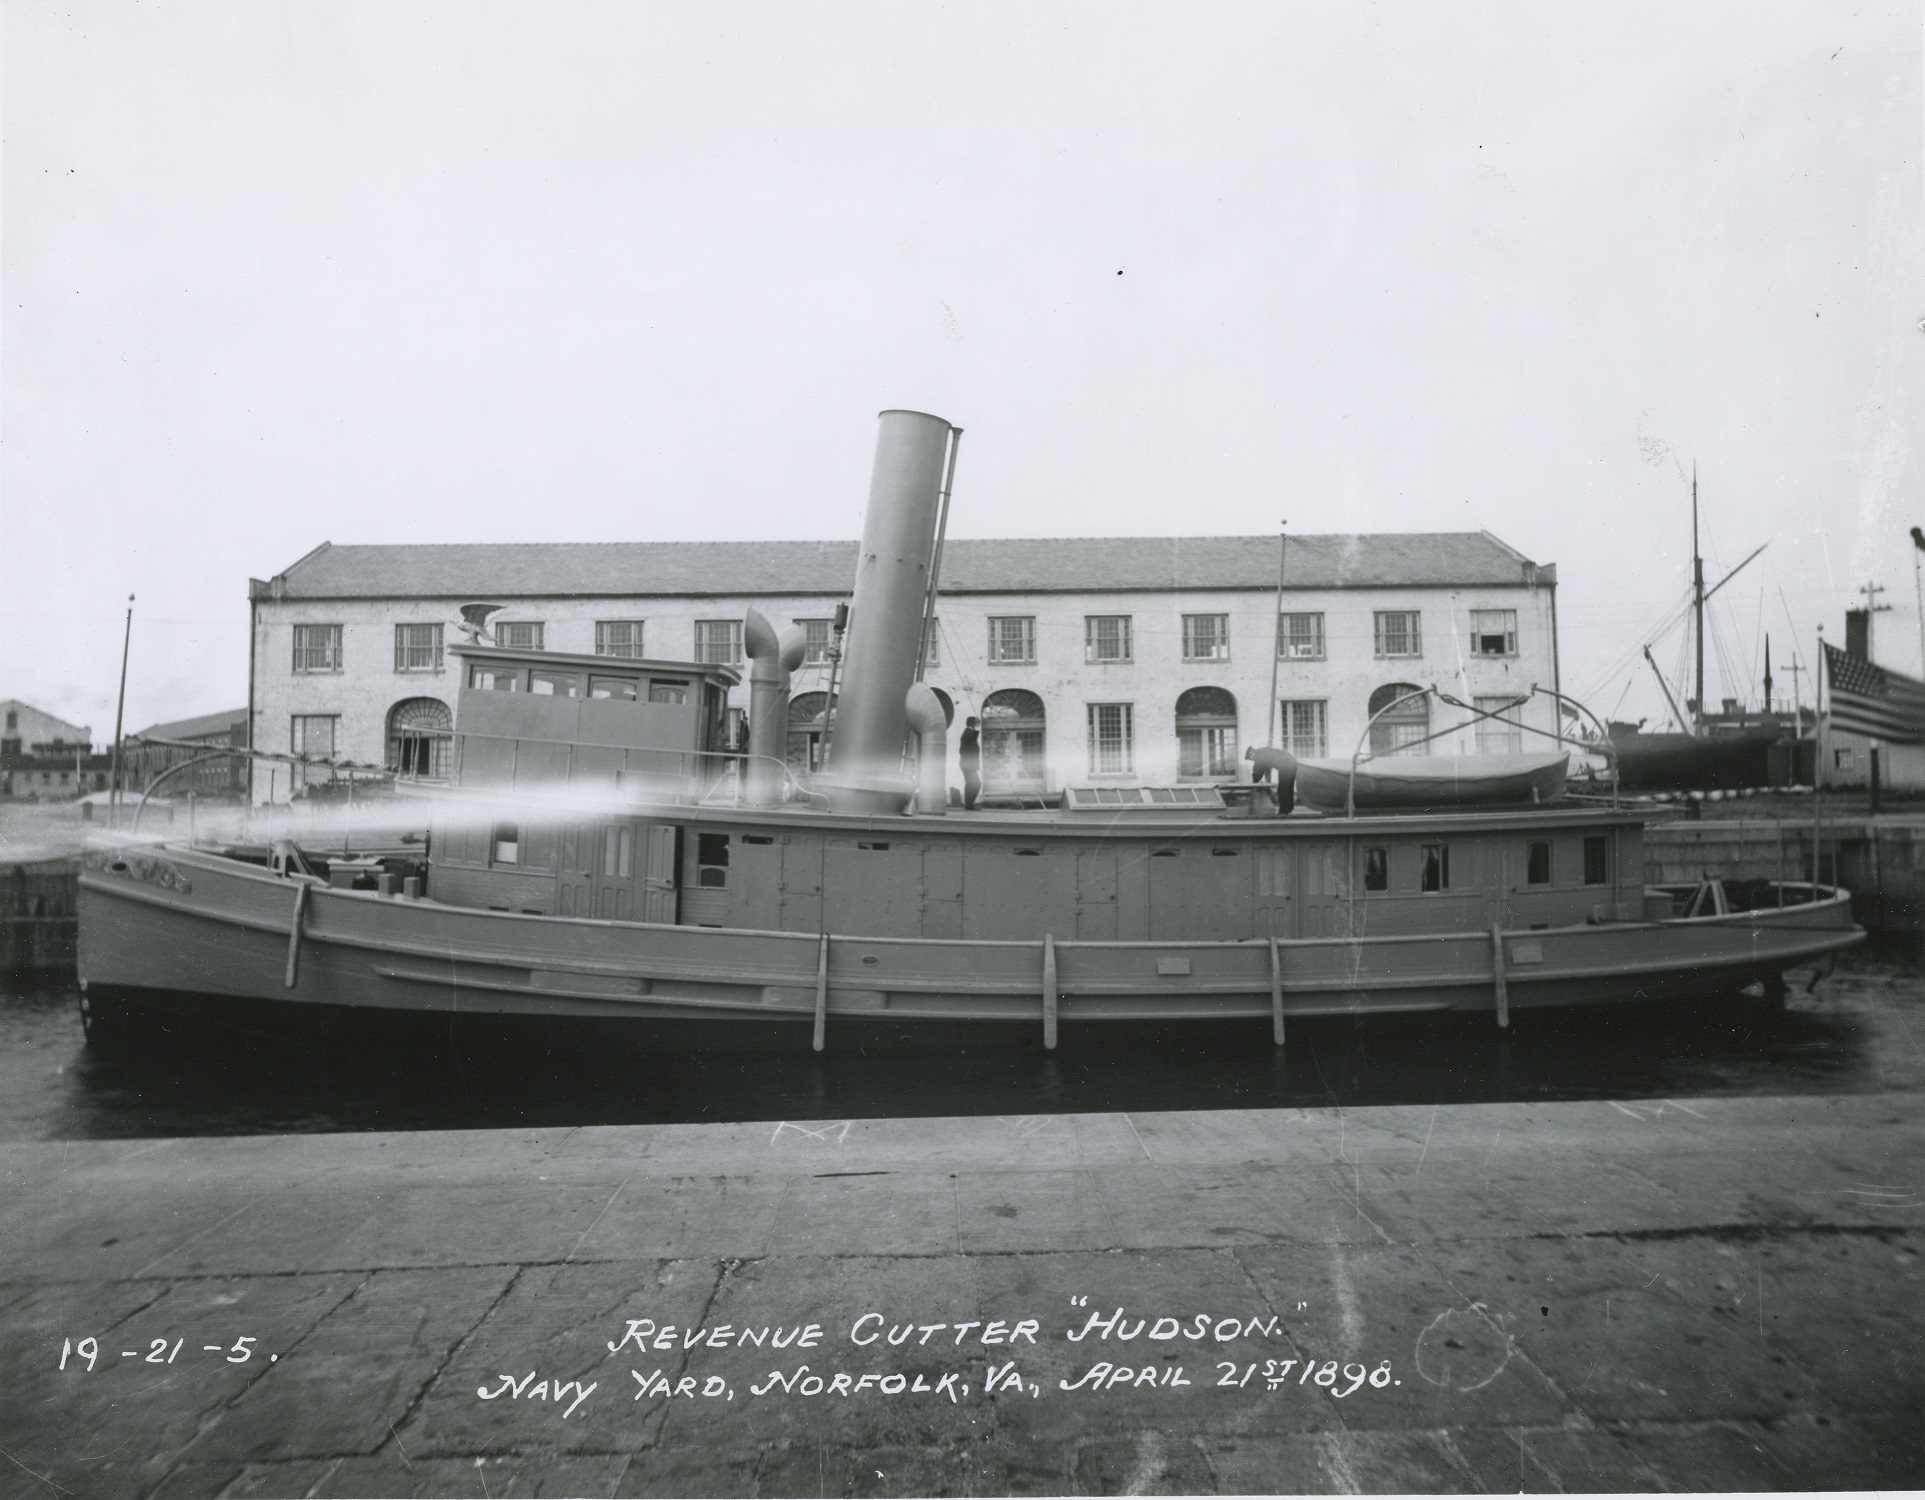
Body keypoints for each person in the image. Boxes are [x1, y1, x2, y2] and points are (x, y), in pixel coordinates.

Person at [959, 716, 982, 811]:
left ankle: (969, 804)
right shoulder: (968, 733)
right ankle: (969, 804)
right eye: (976, 723)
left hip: (967, 764)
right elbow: (972, 741)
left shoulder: (968, 733)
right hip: (968, 764)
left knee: (972, 783)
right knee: (974, 783)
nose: (978, 725)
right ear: (972, 724)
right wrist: (976, 731)